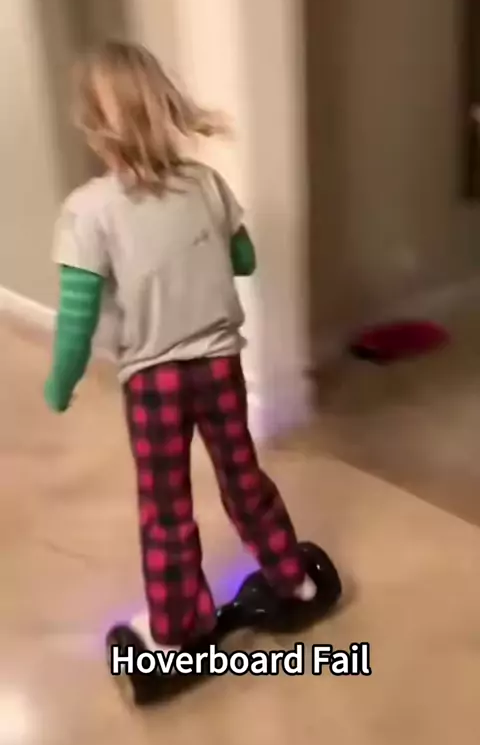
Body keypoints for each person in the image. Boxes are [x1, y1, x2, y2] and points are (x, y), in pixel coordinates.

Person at [44, 41, 316, 655]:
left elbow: (77, 318)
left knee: (166, 508)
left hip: (154, 384)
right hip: (219, 367)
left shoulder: (87, 212)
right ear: (164, 107)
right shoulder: (206, 184)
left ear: (94, 128)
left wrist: (60, 383)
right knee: (242, 478)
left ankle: (174, 629)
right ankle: (291, 577)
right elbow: (244, 258)